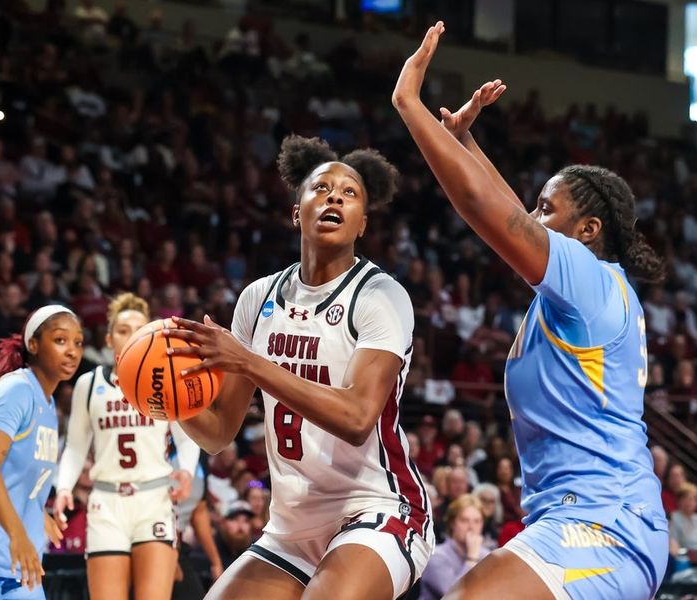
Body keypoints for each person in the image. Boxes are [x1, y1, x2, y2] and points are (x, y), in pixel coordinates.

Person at [393, 22, 669, 599]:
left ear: (588, 229)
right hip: (578, 520)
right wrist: (465, 141)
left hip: (606, 524)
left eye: (548, 209)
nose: (533, 219)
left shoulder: (588, 280)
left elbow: (488, 211)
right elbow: (510, 212)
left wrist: (409, 105)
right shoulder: (583, 287)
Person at [166, 135, 433, 600]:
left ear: (362, 224)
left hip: (377, 508)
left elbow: (356, 419)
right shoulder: (258, 297)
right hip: (291, 528)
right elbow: (218, 434)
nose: (335, 196)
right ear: (297, 213)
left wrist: (249, 362)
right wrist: (165, 395)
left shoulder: (380, 295)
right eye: (322, 188)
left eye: (349, 193)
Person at [54, 293, 200, 600]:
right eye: (122, 330)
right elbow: (76, 447)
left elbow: (187, 436)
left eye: (138, 328)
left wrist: (186, 471)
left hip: (154, 499)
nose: (131, 335)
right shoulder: (89, 384)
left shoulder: (165, 379)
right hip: (106, 502)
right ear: (109, 339)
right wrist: (64, 486)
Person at [0, 305, 83, 598]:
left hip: (21, 565)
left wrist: (35, 512)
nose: (72, 351)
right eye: (60, 340)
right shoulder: (16, 391)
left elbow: (19, 476)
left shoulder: (48, 406)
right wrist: (18, 533)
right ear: (33, 344)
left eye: (78, 342)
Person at [420, 495, 491, 600]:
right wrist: (471, 559)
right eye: (465, 520)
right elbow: (454, 596)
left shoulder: (487, 556)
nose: (471, 527)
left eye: (477, 521)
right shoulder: (436, 556)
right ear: (452, 523)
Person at [669, 483, 697, 552]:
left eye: (693, 499)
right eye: (685, 498)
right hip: (683, 558)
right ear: (678, 501)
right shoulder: (673, 517)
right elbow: (673, 543)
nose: (689, 502)